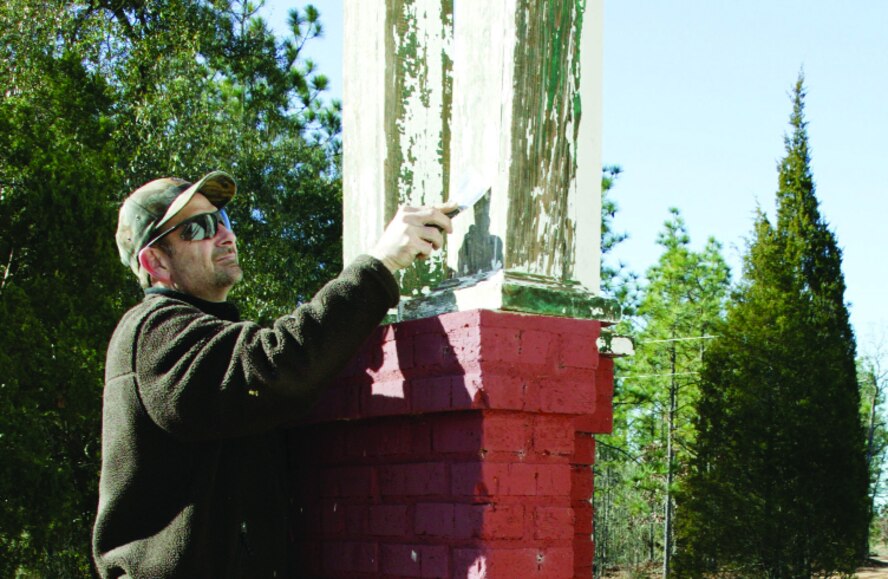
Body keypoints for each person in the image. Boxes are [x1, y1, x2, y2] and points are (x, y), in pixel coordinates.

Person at [92, 170, 453, 578]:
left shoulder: (205, 337)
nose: (225, 236)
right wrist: (381, 264)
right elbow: (274, 370)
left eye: (222, 220)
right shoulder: (154, 330)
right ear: (155, 261)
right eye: (198, 228)